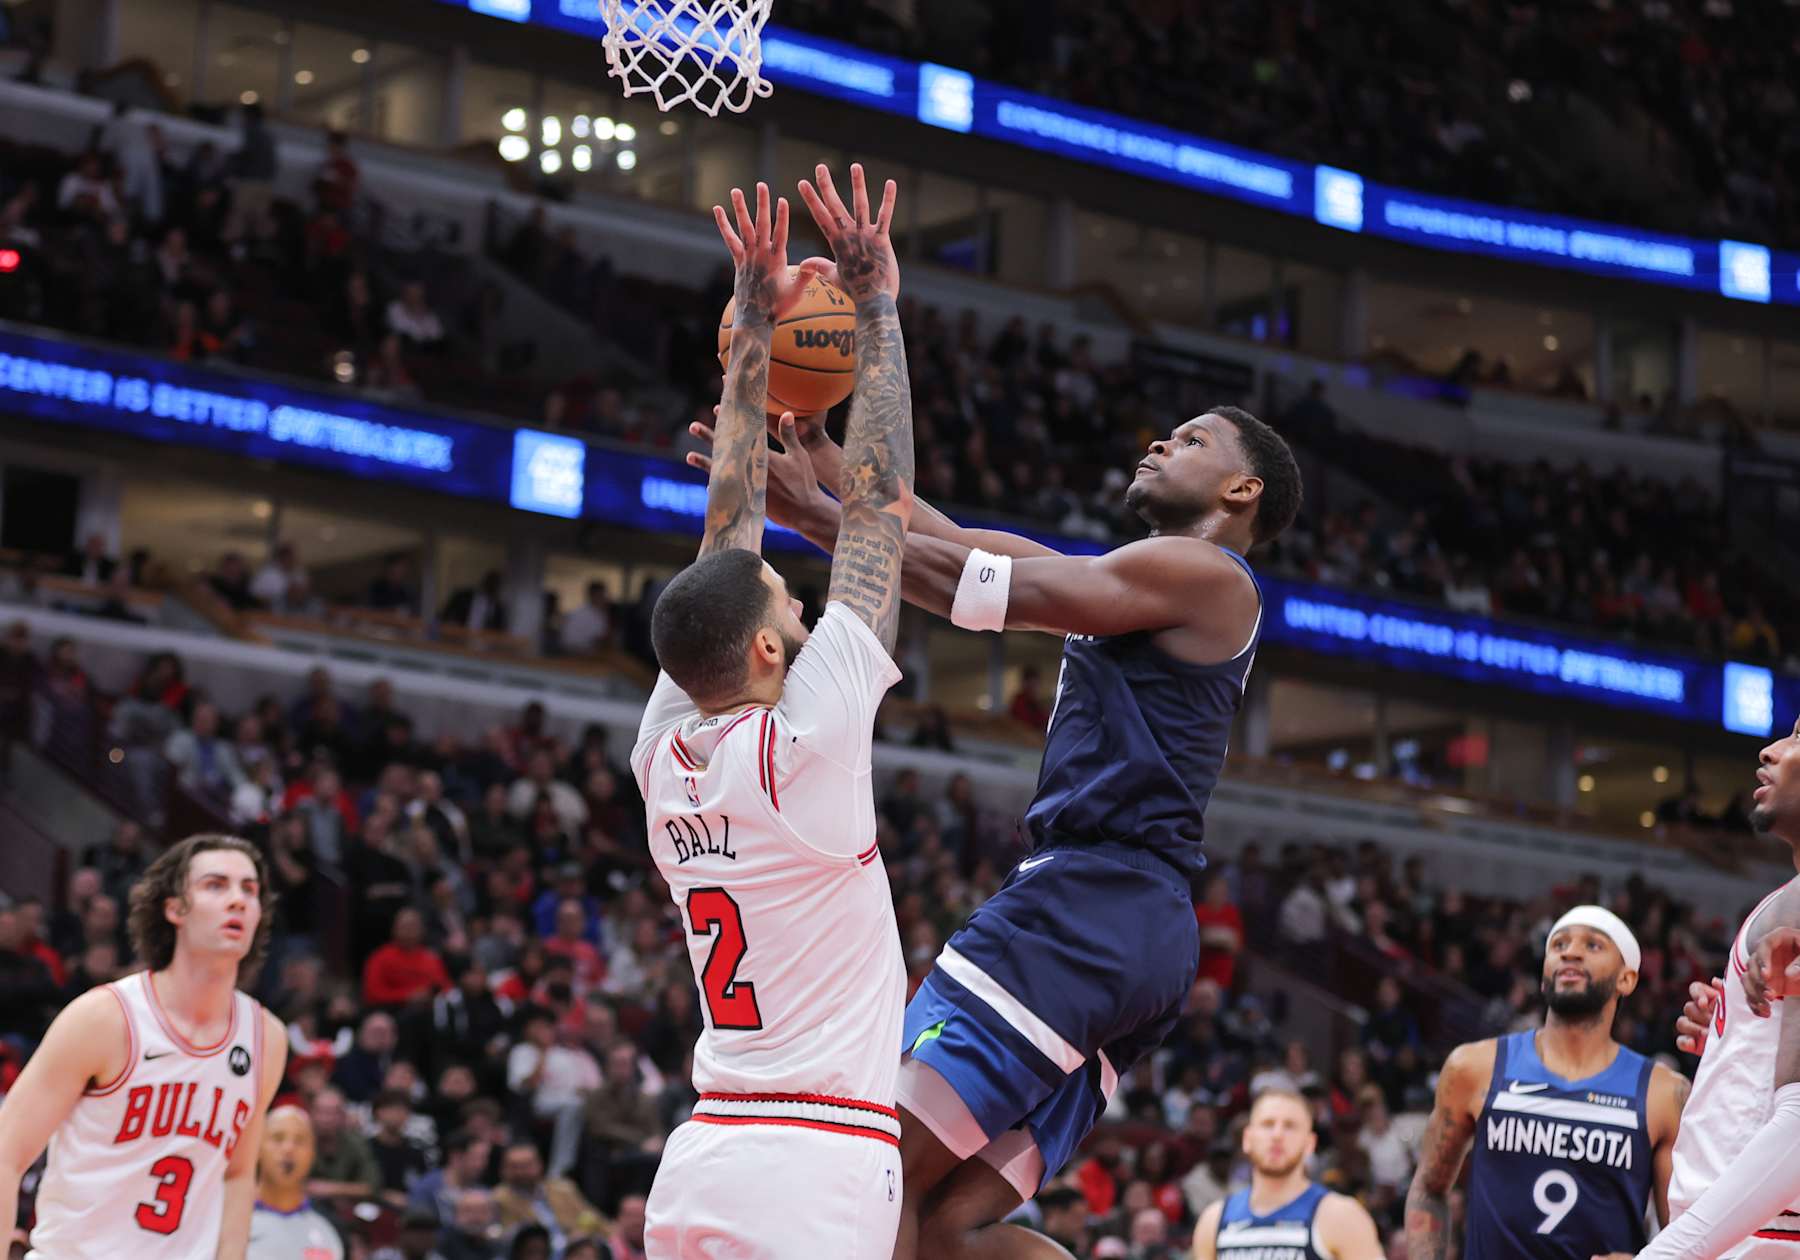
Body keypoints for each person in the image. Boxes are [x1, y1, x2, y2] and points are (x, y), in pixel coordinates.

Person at [702, 299, 1302, 1256]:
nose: (1159, 441)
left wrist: (828, 523)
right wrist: (811, 441)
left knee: (878, 1164)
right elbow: (925, 527)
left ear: (1240, 490)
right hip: (1127, 925)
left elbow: (991, 594)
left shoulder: (1210, 577)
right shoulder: (1137, 579)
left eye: (1189, 440)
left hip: (1090, 902)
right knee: (943, 1229)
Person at [634, 166, 912, 1259]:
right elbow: (879, 505)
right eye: (791, 607)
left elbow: (724, 552)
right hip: (820, 1157)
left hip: (705, 1155)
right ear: (761, 647)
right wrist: (878, 307)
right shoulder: (808, 746)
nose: (804, 606)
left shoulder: (671, 755)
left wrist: (752, 333)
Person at [0, 834, 287, 1260]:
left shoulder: (266, 1037)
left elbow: (238, 1174)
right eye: (216, 885)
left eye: (249, 889)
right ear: (174, 908)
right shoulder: (104, 1018)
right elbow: (7, 1152)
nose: (238, 900)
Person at [1403, 905, 1687, 1259]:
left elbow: (1687, 1236)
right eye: (1559, 944)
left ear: (1626, 979)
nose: (1570, 951)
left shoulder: (1662, 1093)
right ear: (1544, 976)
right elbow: (1429, 1189)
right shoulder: (1473, 1067)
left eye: (1593, 945)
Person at [1649, 710, 1800, 1257]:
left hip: (1760, 1235)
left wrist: (1666, 1255)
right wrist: (1725, 1033)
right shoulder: (1784, 898)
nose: (1771, 750)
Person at [1193, 1088, 1381, 1260]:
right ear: (1247, 1139)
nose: (1277, 1135)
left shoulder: (1342, 1216)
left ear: (1310, 1144)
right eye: (1268, 1124)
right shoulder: (1214, 1221)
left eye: (1290, 1126)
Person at [248, 1105, 346, 1260]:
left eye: (300, 1141)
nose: (288, 1148)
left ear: (313, 1154)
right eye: (277, 1138)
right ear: (257, 1147)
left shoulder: (330, 1231)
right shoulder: (229, 1221)